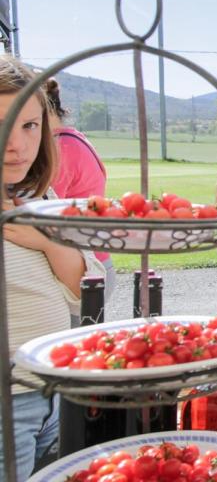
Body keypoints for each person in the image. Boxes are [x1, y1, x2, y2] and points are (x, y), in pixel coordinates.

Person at [0, 55, 100, 479]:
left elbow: (90, 282)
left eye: (30, 126)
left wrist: (45, 239)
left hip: (56, 395)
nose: (16, 145)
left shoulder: (42, 199)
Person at [45, 79, 114, 315]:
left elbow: (47, 214)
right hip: (92, 260)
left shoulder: (61, 147)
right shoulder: (72, 138)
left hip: (84, 268)